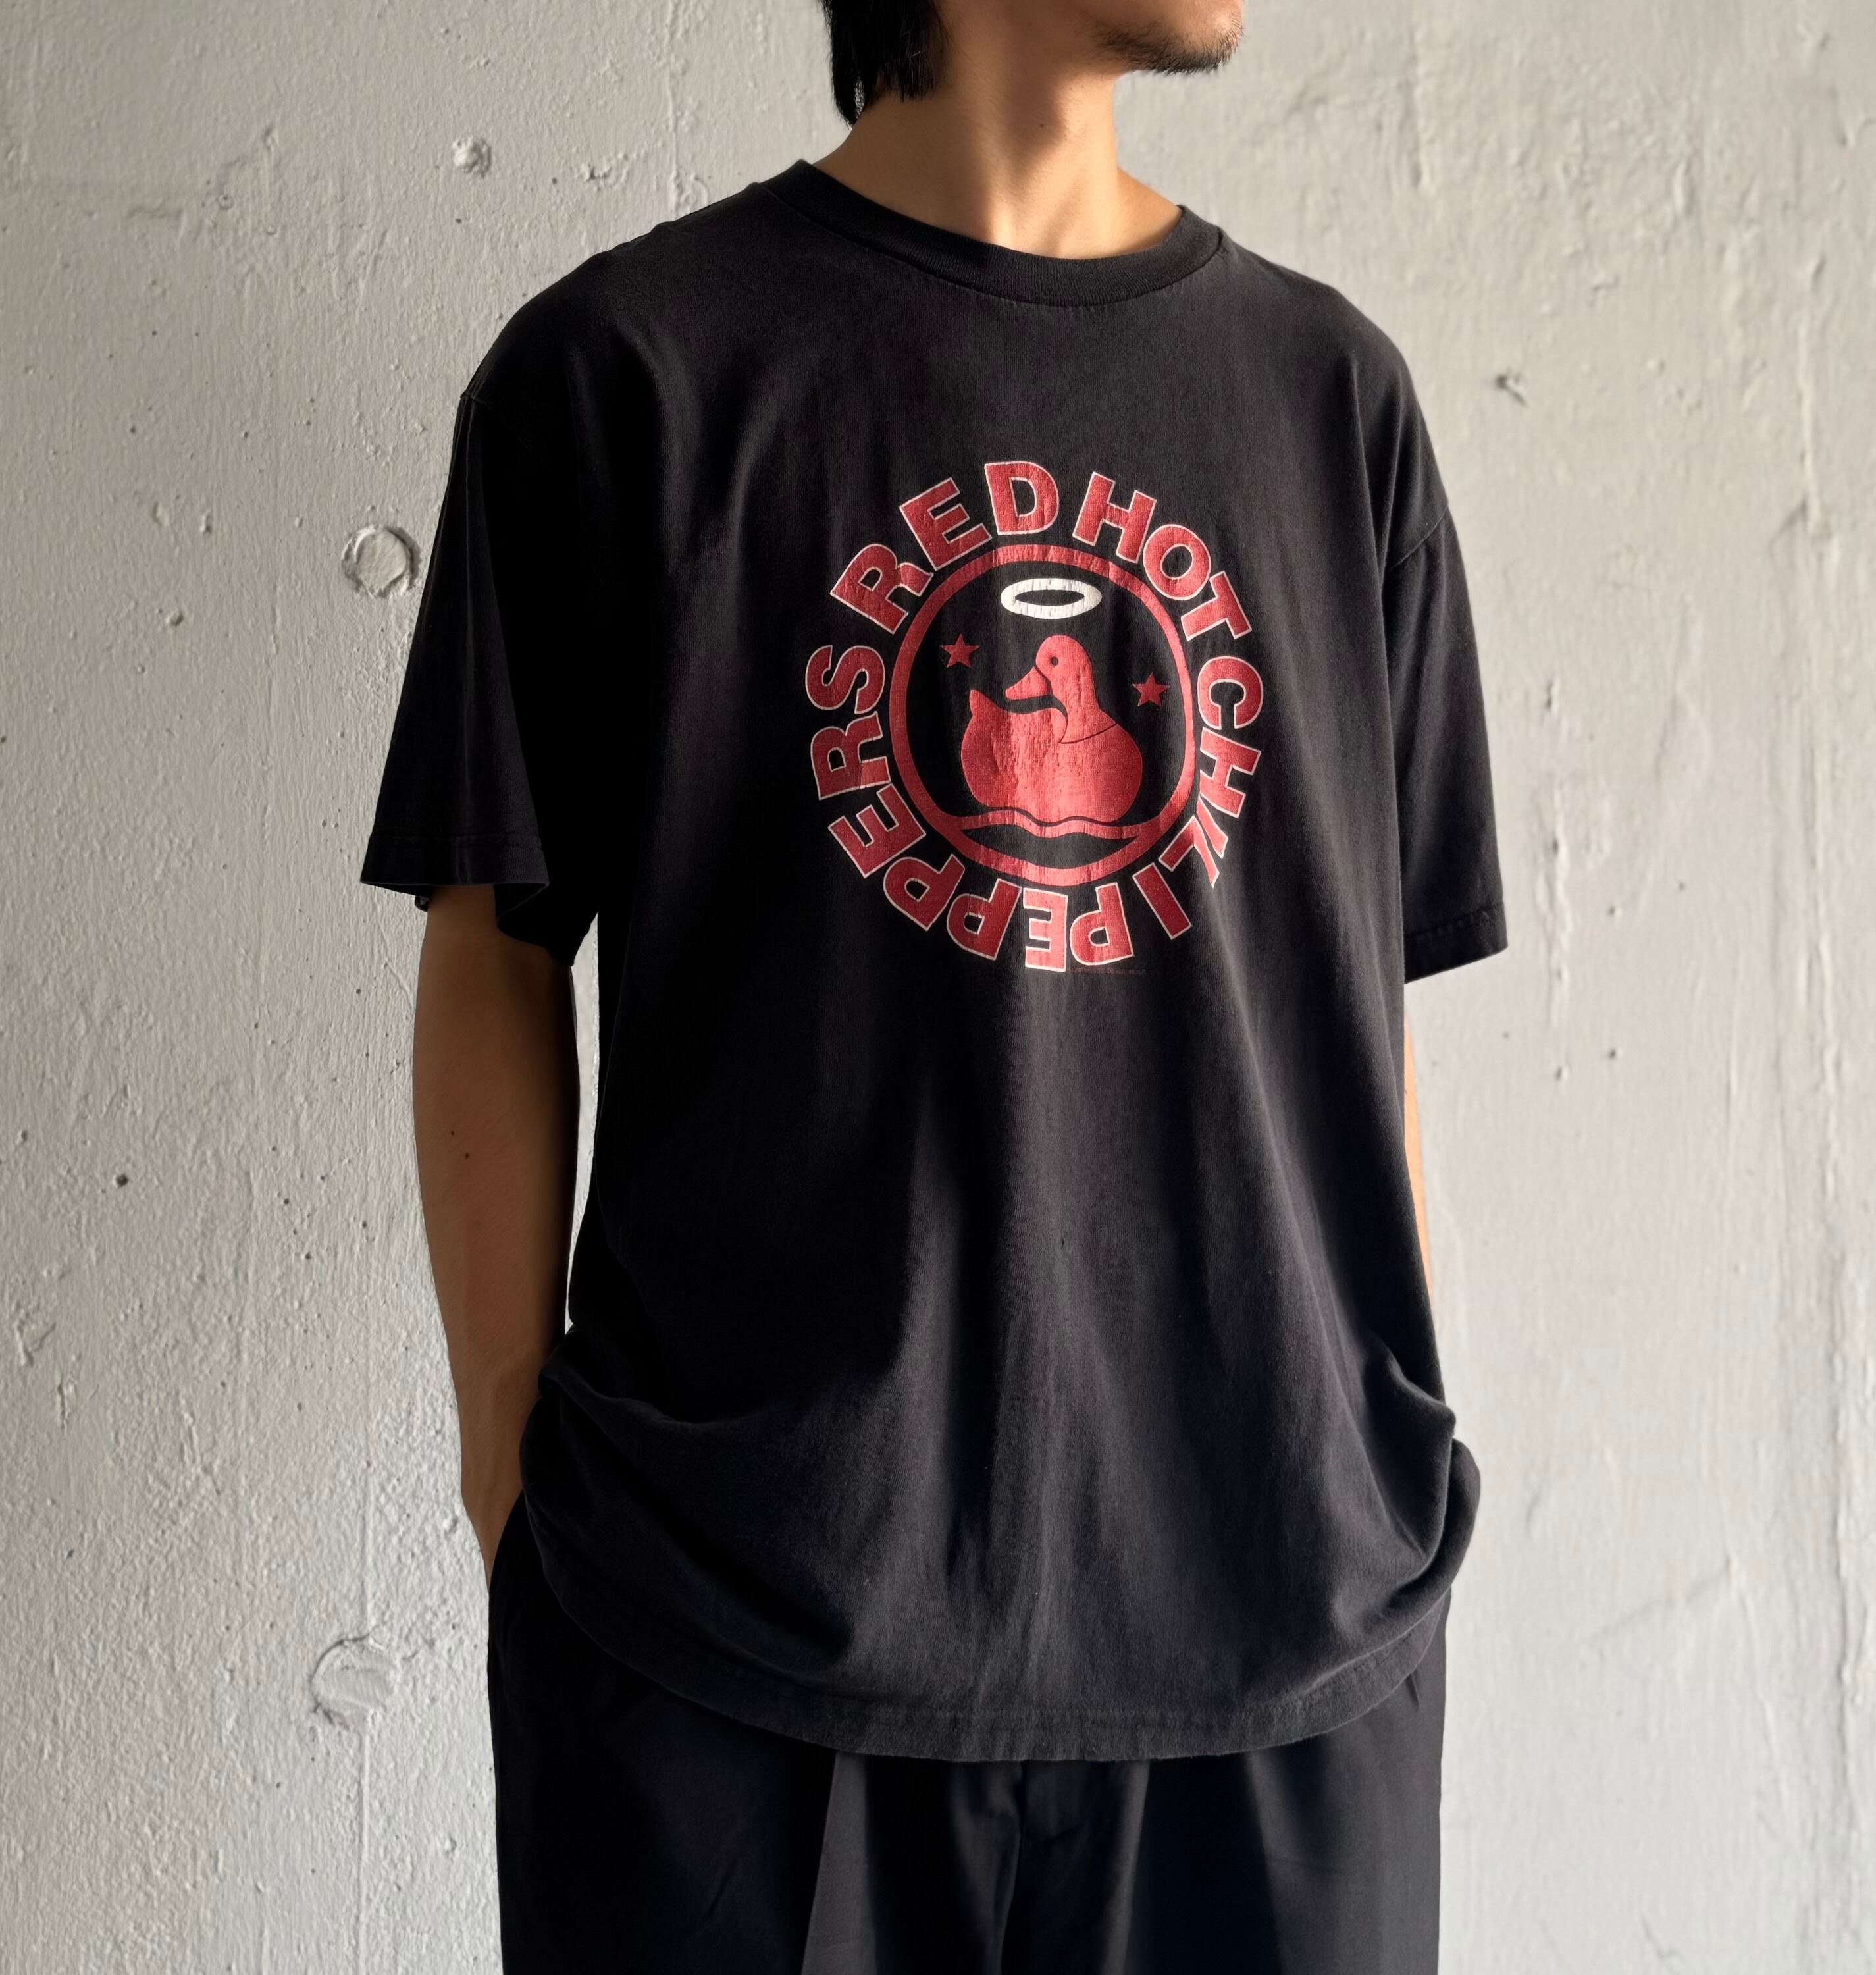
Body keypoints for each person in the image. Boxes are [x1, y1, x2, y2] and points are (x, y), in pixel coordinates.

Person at [359, 0, 1508, 1966]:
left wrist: (1391, 1424)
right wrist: (513, 1472)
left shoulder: (1334, 399)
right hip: (731, 1643)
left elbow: (1357, 997)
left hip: (1286, 1618)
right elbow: (493, 940)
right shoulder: (627, 370)